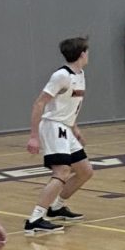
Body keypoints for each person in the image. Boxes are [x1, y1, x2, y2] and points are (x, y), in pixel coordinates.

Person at [23, 36, 93, 235]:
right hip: (53, 127)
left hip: (65, 127)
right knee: (62, 171)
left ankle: (56, 207)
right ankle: (35, 219)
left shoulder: (80, 74)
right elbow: (39, 104)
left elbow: (70, 105)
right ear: (81, 54)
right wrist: (34, 136)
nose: (88, 54)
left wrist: (75, 127)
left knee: (85, 171)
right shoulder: (61, 76)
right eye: (87, 51)